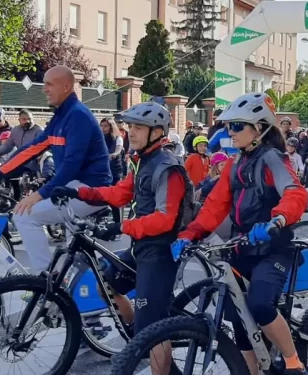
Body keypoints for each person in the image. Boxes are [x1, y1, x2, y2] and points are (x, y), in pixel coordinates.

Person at [171, 92, 308, 375]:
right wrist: (190, 233)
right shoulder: (236, 163)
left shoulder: (273, 159)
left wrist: (277, 220)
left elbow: (295, 194)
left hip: (273, 248)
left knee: (259, 305)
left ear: (259, 128)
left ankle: (294, 361)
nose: (228, 132)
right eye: (227, 126)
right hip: (241, 248)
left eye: (236, 126)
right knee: (239, 318)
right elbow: (215, 206)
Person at [50, 101, 190, 374]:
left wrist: (122, 227)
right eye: (130, 127)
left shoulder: (167, 168)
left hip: (160, 252)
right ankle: (138, 339)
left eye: (139, 127)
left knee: (153, 328)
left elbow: (166, 219)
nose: (131, 133)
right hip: (141, 247)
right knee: (107, 283)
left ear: (157, 132)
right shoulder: (141, 162)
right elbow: (119, 193)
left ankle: (150, 342)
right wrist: (78, 193)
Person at [0, 65, 112, 274]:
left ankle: (45, 280)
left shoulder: (78, 116)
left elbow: (71, 166)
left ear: (66, 86)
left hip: (90, 189)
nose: (44, 89)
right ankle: (75, 291)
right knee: (76, 261)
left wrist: (40, 194)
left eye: (49, 84)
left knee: (23, 216)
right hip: (72, 188)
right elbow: (31, 149)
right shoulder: (60, 117)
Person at [0, 109, 45, 201]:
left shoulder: (39, 130)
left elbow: (41, 147)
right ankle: (12, 200)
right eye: (24, 119)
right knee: (6, 173)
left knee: (35, 184)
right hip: (20, 162)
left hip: (35, 163)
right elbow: (8, 145)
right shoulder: (16, 130)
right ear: (19, 120)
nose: (27, 121)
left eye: (29, 119)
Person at [100, 118, 126, 225]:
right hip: (103, 170)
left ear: (111, 126)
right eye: (101, 126)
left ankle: (117, 223)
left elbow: (119, 148)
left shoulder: (118, 138)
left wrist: (115, 153)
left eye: (105, 126)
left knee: (114, 197)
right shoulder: (100, 139)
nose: (103, 128)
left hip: (115, 171)